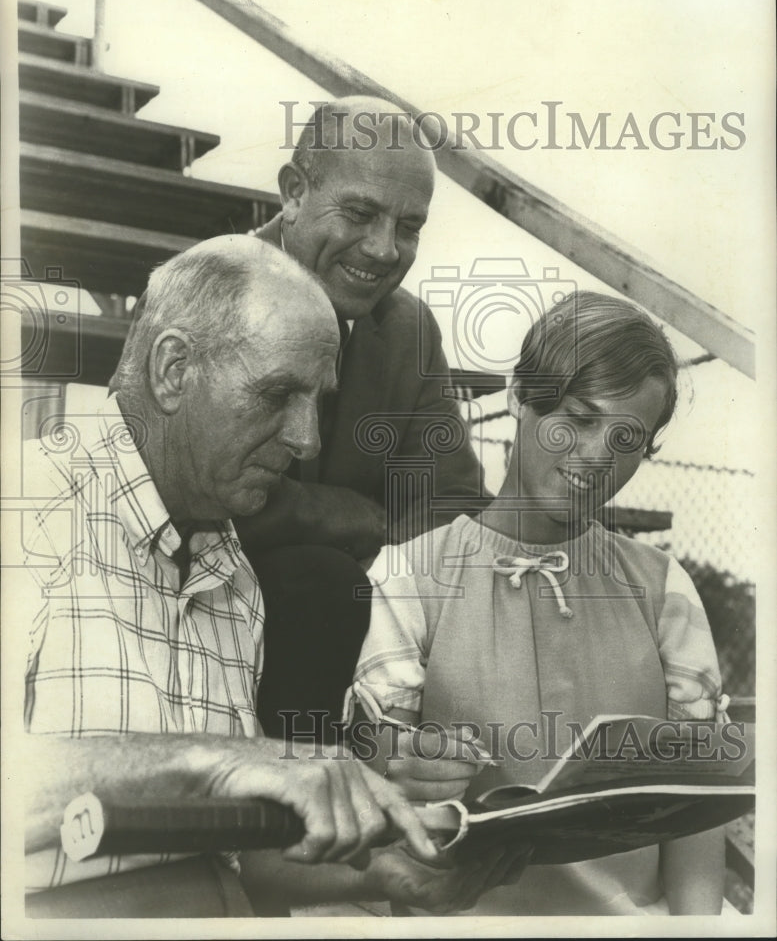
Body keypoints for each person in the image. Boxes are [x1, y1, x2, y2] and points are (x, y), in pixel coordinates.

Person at [21, 235, 511, 917]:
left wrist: (388, 875)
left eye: (318, 402)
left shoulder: (233, 572)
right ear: (172, 368)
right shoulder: (27, 505)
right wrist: (214, 764)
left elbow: (235, 866)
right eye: (277, 393)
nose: (306, 439)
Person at [114, 96, 487, 740]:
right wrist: (345, 514)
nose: (384, 249)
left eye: (409, 226)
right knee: (319, 583)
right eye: (361, 212)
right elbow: (153, 490)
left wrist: (329, 532)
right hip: (199, 608)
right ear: (293, 192)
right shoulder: (203, 289)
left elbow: (451, 509)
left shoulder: (407, 329)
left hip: (357, 620)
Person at [345, 291, 729, 915]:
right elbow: (379, 791)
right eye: (578, 418)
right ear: (521, 396)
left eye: (627, 437)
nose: (599, 455)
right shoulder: (409, 576)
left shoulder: (663, 589)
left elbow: (695, 818)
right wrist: (400, 768)